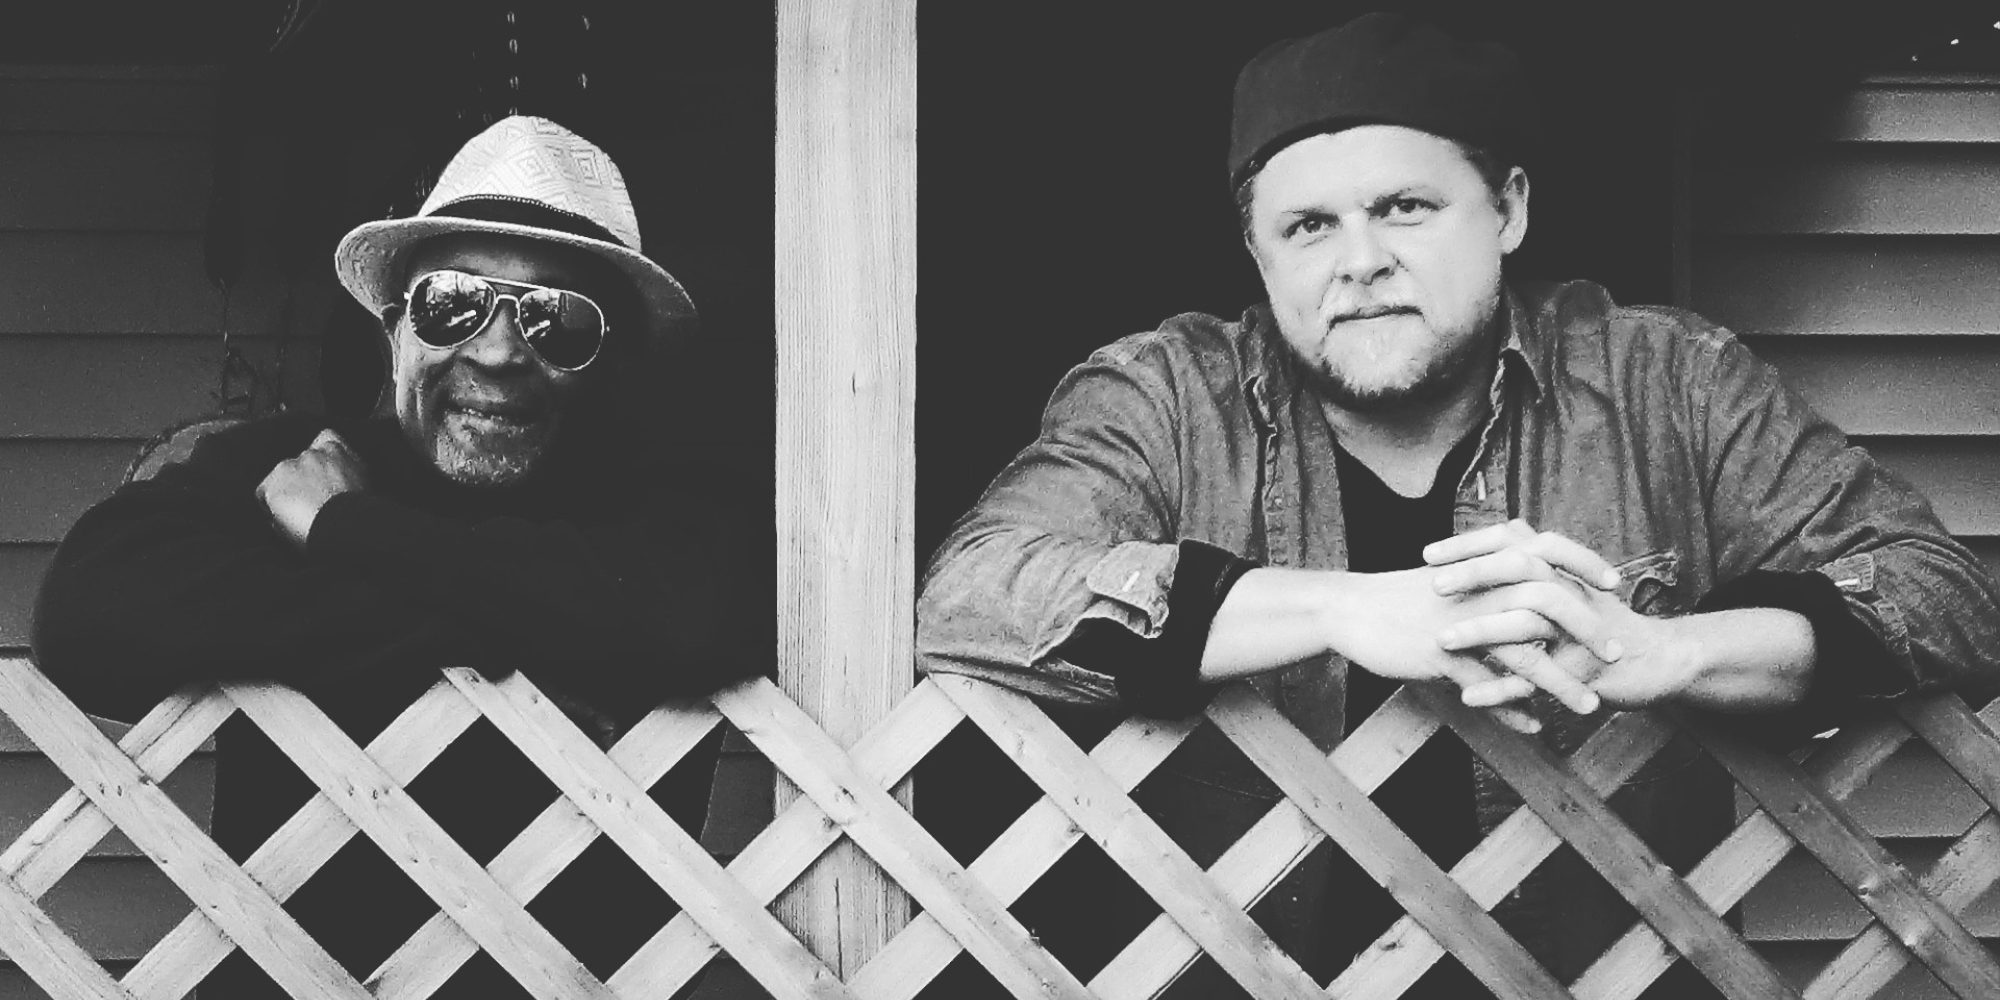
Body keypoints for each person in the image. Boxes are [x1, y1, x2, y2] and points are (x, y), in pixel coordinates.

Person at [916, 12, 2000, 996]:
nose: (1360, 262)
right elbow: (969, 597)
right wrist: (1341, 607)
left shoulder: (1667, 382)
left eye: (1405, 208)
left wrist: (1663, 650)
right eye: (1307, 226)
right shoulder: (1167, 395)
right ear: (1256, 252)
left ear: (1508, 210)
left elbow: (1943, 595)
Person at [33, 116, 769, 997]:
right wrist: (550, 627)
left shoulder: (663, 503)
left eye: (557, 320)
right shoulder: (281, 464)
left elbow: (691, 618)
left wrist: (345, 533)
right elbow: (85, 620)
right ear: (394, 332)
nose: (498, 351)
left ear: (608, 363)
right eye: (454, 304)